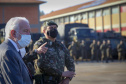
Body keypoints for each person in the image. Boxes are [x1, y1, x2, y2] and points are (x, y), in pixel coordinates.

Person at [0, 17, 32, 84]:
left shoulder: (12, 49)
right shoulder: (8, 52)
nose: (29, 35)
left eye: (29, 32)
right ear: (13, 33)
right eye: (25, 31)